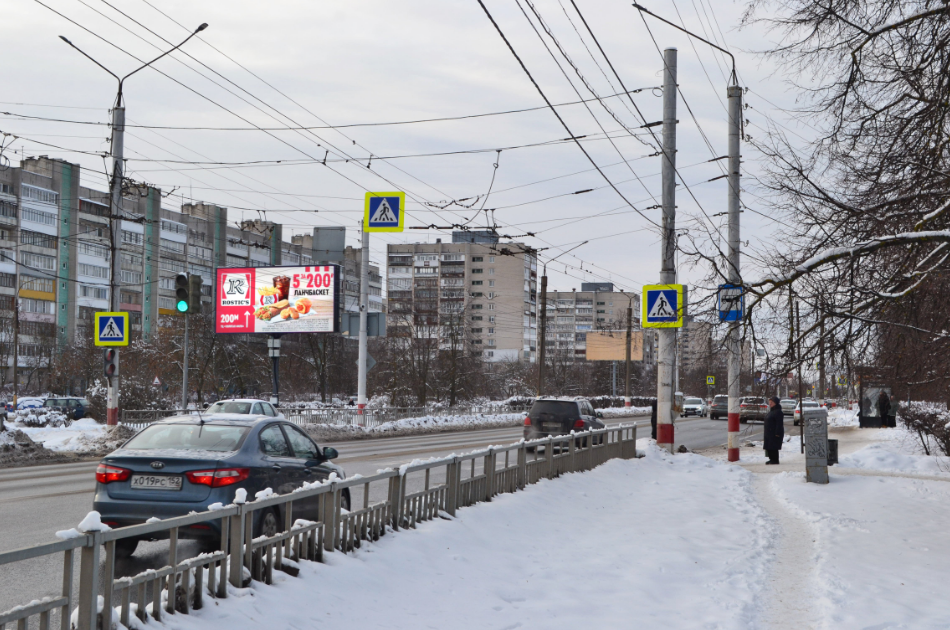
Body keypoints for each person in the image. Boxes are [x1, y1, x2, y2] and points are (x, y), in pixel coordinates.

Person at [764, 396, 785, 465]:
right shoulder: (771, 411)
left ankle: (775, 460)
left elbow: (779, 423)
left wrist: (777, 433)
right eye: (769, 402)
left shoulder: (778, 412)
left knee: (773, 446)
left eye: (772, 402)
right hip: (769, 432)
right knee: (769, 446)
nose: (770, 404)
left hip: (774, 433)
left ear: (776, 403)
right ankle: (771, 459)